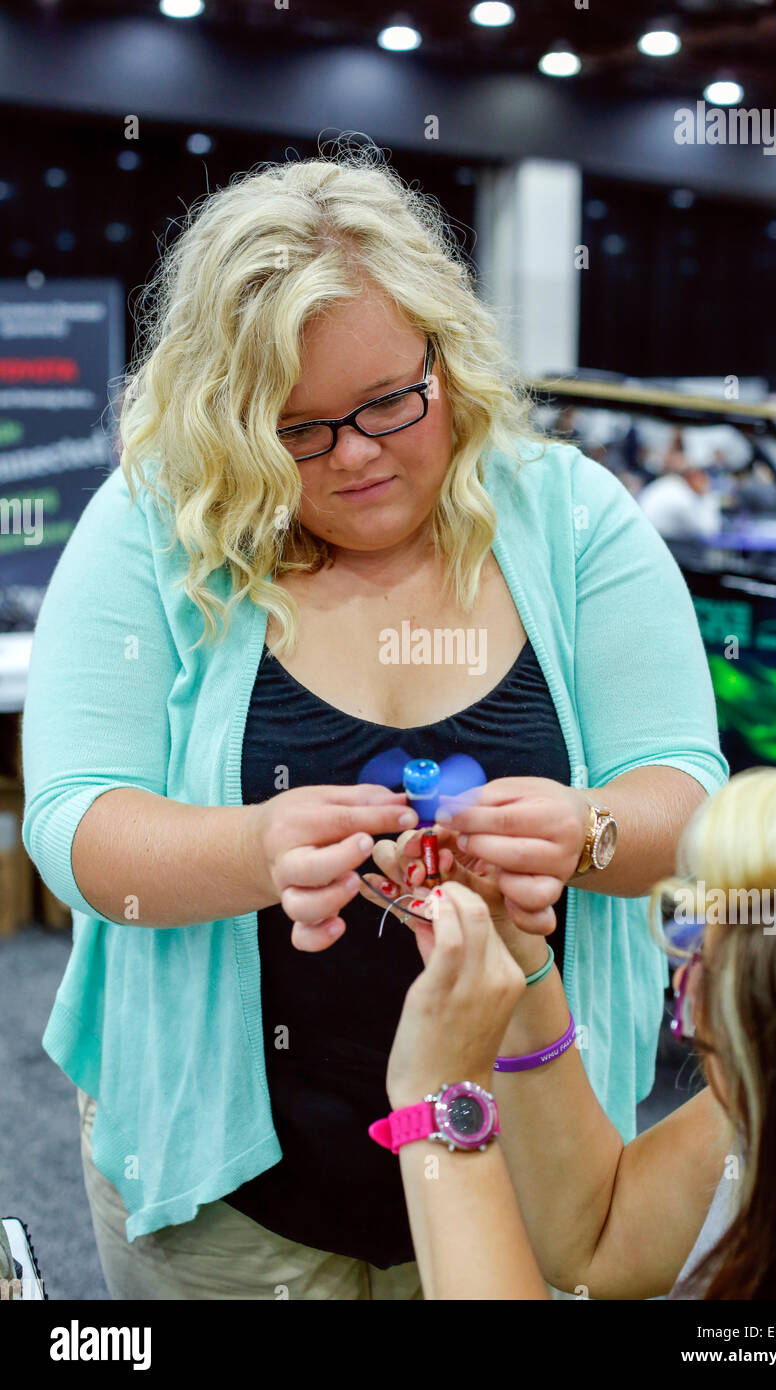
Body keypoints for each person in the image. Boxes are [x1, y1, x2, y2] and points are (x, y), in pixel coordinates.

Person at [21, 148, 726, 1301]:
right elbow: (73, 823)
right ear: (225, 414)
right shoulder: (156, 523)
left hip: (531, 1176)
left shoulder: (569, 517)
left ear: (446, 357)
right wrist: (251, 850)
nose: (353, 454)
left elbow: (683, 794)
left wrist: (587, 831)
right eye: (294, 429)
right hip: (227, 1194)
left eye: (390, 403)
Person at [377, 766, 776, 1299]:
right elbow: (595, 1244)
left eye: (704, 956)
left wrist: (442, 1100)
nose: (685, 985)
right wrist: (515, 954)